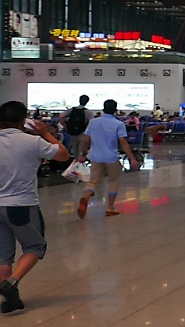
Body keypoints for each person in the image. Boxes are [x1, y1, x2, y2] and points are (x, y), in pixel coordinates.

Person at [0, 101, 69, 313]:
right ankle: (12, 282)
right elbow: (63, 155)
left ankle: (11, 299)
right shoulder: (31, 141)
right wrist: (45, 133)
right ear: (23, 120)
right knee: (35, 246)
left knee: (3, 255)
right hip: (22, 204)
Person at [78, 99, 141, 219]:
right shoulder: (118, 124)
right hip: (111, 157)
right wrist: (132, 159)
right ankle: (110, 208)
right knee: (113, 181)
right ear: (116, 110)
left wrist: (83, 154)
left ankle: (85, 198)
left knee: (93, 182)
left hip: (95, 157)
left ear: (103, 109)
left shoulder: (93, 122)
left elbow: (86, 140)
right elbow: (123, 143)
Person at [60, 94, 90, 162]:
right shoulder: (88, 112)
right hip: (83, 133)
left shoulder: (72, 110)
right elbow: (91, 123)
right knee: (81, 153)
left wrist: (65, 126)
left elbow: (61, 117)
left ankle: (74, 167)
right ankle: (79, 169)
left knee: (74, 152)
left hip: (72, 133)